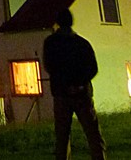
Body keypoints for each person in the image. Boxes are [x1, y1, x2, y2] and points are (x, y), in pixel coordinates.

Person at [43, 8, 107, 160]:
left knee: (62, 136)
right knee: (93, 134)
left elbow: (50, 66)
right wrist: (79, 83)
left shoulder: (51, 43)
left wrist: (65, 84)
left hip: (61, 94)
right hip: (82, 94)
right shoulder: (82, 43)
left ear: (57, 23)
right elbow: (93, 68)